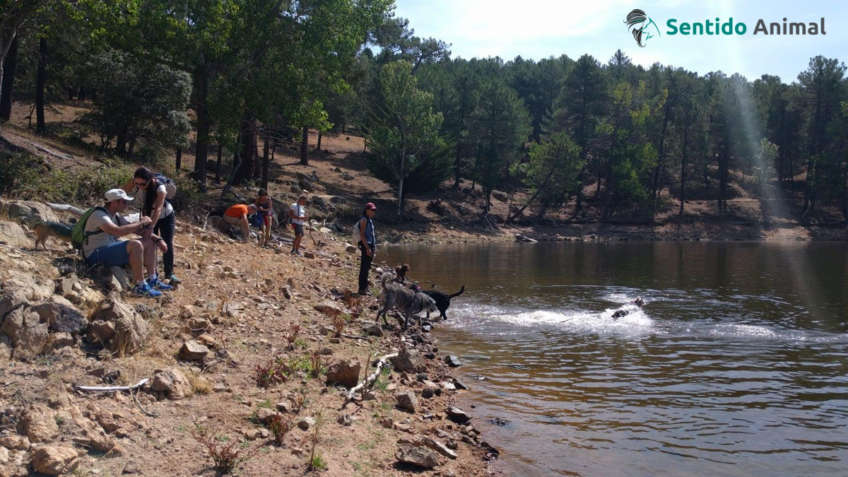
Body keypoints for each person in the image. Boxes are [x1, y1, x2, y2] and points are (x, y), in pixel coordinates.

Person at [83, 189, 171, 297]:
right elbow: (117, 231)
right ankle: (140, 286)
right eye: (124, 202)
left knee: (149, 241)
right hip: (95, 254)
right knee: (135, 245)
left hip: (107, 250)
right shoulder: (99, 215)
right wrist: (141, 223)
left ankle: (153, 279)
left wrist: (157, 238)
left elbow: (137, 231)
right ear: (114, 202)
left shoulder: (115, 216)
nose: (126, 204)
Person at [124, 167, 180, 285]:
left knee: (167, 242)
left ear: (150, 180)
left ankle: (169, 274)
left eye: (143, 184)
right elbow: (122, 192)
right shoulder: (137, 184)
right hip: (148, 215)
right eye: (137, 183)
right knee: (150, 242)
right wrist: (130, 183)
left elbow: (158, 209)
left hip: (166, 216)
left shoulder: (161, 188)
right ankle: (153, 274)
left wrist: (150, 227)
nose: (140, 186)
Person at [356, 202, 377, 295]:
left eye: (374, 210)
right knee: (364, 268)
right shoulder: (364, 220)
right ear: (367, 210)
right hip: (366, 246)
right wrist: (367, 248)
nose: (373, 211)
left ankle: (365, 288)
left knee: (367, 267)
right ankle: (362, 289)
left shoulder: (369, 220)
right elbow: (362, 235)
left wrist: (373, 248)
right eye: (372, 210)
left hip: (370, 246)